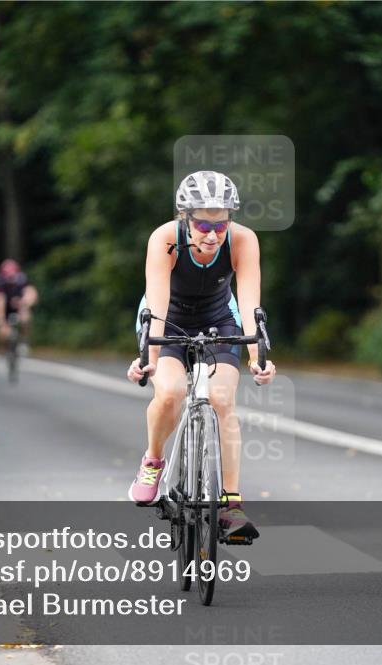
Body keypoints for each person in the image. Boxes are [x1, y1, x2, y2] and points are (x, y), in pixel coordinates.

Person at [125, 170, 276, 541]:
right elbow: (157, 304)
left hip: (219, 319)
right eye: (203, 225)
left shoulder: (243, 240)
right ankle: (153, 460)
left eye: (221, 225)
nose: (212, 235)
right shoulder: (164, 238)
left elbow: (250, 305)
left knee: (223, 400)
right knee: (170, 392)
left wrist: (258, 357)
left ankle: (231, 505)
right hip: (169, 318)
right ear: (185, 218)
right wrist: (149, 357)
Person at [0, 259, 38, 356]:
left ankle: (24, 341)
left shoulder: (22, 280)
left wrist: (24, 302)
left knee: (26, 315)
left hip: (19, 307)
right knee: (2, 331)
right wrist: (0, 319)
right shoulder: (0, 282)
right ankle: (3, 352)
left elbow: (31, 294)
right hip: (5, 308)